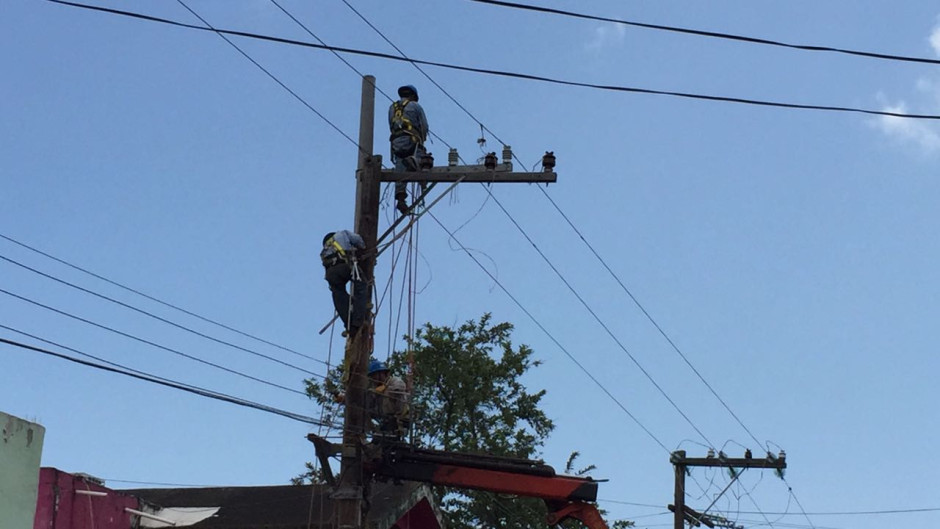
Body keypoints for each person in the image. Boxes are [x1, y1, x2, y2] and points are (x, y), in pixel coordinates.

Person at [388, 84, 429, 215]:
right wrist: (422, 140)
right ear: (413, 96)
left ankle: (400, 199)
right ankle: (415, 163)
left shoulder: (392, 108)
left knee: (400, 170)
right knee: (422, 160)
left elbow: (390, 125)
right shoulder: (416, 106)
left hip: (396, 142)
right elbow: (424, 126)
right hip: (412, 141)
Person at [320, 230, 367, 337]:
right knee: (361, 286)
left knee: (339, 296)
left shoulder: (324, 250)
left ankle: (348, 324)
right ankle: (357, 321)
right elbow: (358, 240)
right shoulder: (341, 234)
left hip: (331, 274)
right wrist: (363, 247)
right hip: (345, 266)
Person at [367, 359, 409, 440]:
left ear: (383, 374)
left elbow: (400, 388)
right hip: (386, 421)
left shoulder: (395, 381)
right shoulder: (375, 390)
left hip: (399, 420)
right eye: (372, 376)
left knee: (386, 442)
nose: (374, 379)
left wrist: (385, 388)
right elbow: (366, 403)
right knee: (376, 442)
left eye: (375, 375)